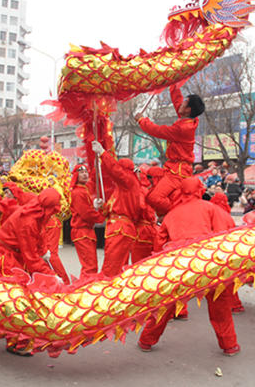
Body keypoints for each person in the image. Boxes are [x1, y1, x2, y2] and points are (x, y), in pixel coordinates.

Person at [138, 177, 239, 355]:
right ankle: (229, 345)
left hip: (180, 263)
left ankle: (146, 340)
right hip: (208, 261)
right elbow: (224, 233)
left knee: (166, 303)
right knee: (219, 305)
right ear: (199, 189)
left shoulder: (172, 214)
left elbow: (159, 244)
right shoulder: (210, 208)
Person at [134, 84, 205, 214]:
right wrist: (173, 84)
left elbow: (159, 131)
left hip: (177, 172)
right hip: (172, 167)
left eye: (185, 103)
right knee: (148, 172)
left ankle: (175, 214)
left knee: (154, 198)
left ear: (188, 109)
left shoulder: (183, 128)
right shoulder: (188, 119)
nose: (181, 104)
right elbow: (178, 101)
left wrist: (142, 120)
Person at [92, 141, 142, 277]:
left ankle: (106, 294)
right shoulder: (122, 189)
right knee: (118, 267)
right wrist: (101, 205)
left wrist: (102, 153)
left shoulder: (129, 181)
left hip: (120, 228)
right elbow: (110, 210)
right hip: (119, 227)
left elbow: (116, 172)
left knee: (111, 267)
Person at [0, 188, 62, 278]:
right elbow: (31, 257)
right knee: (16, 286)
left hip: (17, 252)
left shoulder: (36, 209)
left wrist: (44, 250)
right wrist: (50, 275)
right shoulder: (28, 222)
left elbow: (39, 231)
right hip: (6, 255)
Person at [69, 164, 104, 277]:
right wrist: (101, 216)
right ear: (75, 175)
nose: (85, 174)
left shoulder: (84, 189)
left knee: (91, 265)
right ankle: (85, 289)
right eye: (81, 172)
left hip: (87, 231)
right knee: (90, 266)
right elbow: (86, 213)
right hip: (82, 231)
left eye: (86, 172)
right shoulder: (78, 192)